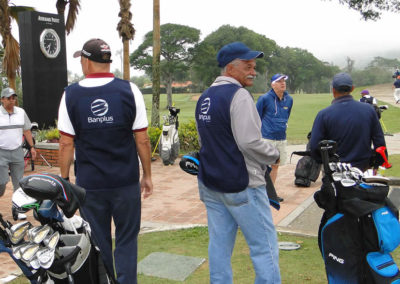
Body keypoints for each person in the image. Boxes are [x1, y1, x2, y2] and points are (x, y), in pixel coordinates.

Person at [58, 38, 153, 284]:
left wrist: (65, 181)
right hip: (125, 182)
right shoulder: (129, 90)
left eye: (81, 59)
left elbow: (66, 143)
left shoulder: (71, 95)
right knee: (126, 241)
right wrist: (148, 176)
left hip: (91, 186)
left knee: (98, 244)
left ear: (87, 61)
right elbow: (142, 140)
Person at [195, 42, 281, 284]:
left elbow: (205, 141)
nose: (253, 71)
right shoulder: (239, 95)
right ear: (230, 69)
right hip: (242, 185)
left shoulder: (205, 97)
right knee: (265, 247)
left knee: (219, 247)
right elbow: (249, 142)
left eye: (254, 66)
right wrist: (273, 154)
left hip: (212, 185)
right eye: (248, 66)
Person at [310, 72, 386, 172]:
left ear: (333, 90)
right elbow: (379, 141)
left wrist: (324, 161)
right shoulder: (369, 110)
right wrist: (378, 165)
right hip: (362, 168)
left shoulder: (324, 114)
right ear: (352, 89)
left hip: (335, 170)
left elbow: (314, 146)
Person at [0, 87, 36, 220]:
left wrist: (32, 147)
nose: (12, 100)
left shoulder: (21, 112)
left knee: (19, 183)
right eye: (8, 98)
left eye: (13, 98)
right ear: (2, 99)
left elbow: (26, 131)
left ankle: (18, 209)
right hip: (1, 152)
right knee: (1, 183)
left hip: (17, 152)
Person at [256, 73, 293, 202]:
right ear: (273, 84)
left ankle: (270, 194)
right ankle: (260, 193)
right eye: (279, 81)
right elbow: (256, 117)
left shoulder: (289, 99)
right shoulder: (264, 99)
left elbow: (286, 116)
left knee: (276, 165)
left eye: (284, 81)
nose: (283, 83)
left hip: (281, 138)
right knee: (264, 167)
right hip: (267, 137)